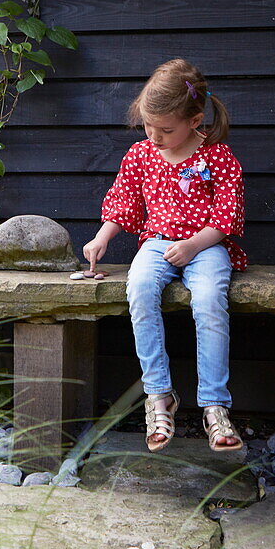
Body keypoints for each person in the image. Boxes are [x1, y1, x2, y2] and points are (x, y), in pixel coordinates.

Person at [83, 59, 247, 454]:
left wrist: (193, 245)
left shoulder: (217, 157)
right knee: (139, 289)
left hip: (206, 245)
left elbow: (228, 215)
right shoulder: (141, 156)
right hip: (156, 243)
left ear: (194, 120)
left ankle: (214, 405)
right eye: (147, 126)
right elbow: (124, 200)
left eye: (165, 129)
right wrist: (103, 236)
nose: (154, 135)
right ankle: (159, 396)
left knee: (209, 301)